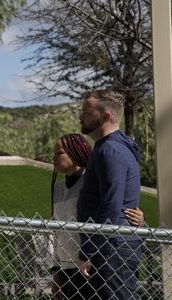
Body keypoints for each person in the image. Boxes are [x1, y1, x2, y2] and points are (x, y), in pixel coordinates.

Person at [50, 133, 144, 300]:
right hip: (66, 267)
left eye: (60, 153)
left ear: (75, 151)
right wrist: (56, 271)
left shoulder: (91, 182)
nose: (54, 158)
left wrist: (140, 221)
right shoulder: (57, 189)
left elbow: (112, 207)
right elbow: (56, 230)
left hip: (88, 264)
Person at [76, 90, 143, 299]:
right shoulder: (110, 147)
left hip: (112, 247)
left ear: (105, 116)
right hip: (112, 245)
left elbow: (112, 203)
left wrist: (89, 251)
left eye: (86, 111)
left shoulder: (110, 150)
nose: (81, 116)